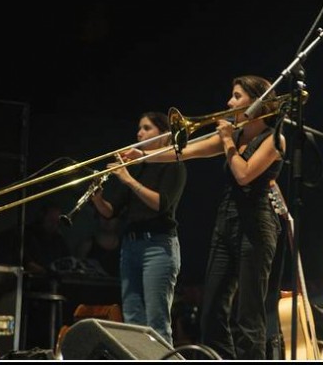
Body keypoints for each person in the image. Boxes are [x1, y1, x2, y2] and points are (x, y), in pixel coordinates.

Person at [124, 75, 286, 360]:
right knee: (210, 312)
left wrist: (226, 140)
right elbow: (183, 151)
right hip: (226, 221)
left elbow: (244, 174)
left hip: (257, 224)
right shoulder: (232, 137)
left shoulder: (274, 139)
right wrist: (142, 155)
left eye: (236, 96)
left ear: (257, 101)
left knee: (248, 314)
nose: (229, 102)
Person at [89, 111, 187, 346]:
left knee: (156, 321)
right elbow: (111, 211)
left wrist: (128, 179)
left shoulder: (174, 164)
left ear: (164, 134)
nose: (139, 133)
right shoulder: (137, 168)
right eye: (139, 128)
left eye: (146, 128)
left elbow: (161, 204)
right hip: (131, 246)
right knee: (133, 319)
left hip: (158, 246)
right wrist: (97, 198)